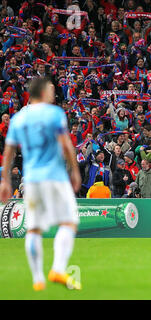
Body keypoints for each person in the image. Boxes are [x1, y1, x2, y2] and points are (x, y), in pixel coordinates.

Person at [0, 78, 82, 291]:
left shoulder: (18, 119)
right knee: (69, 222)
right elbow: (66, 144)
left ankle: (38, 279)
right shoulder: (55, 114)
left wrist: (5, 180)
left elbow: (9, 151)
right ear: (43, 92)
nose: (54, 94)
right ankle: (57, 268)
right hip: (55, 177)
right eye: (52, 90)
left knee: (34, 229)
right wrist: (74, 171)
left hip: (32, 180)